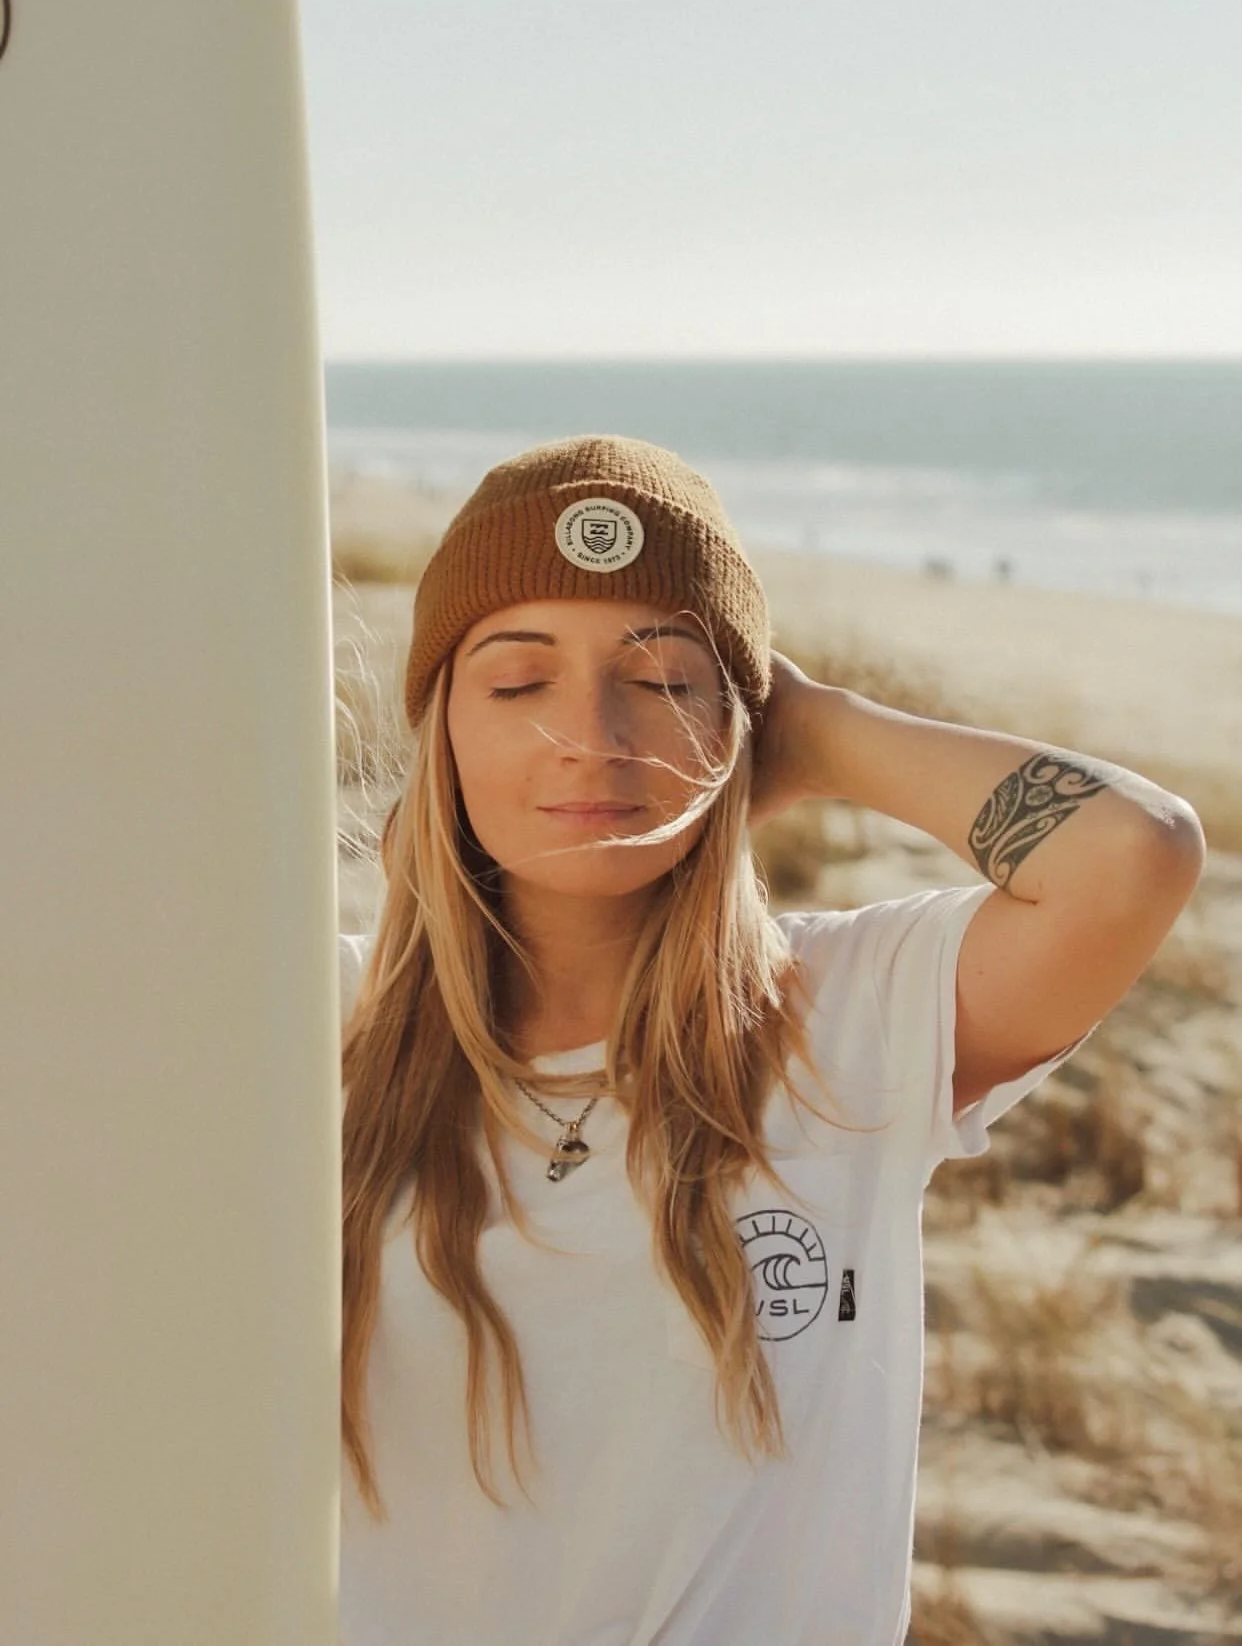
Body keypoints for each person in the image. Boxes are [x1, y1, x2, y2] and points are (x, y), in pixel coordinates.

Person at [336, 434, 1203, 1646]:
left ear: (749, 726)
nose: (592, 731)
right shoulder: (323, 1038)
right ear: (441, 733)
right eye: (517, 683)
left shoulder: (847, 1012)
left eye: (664, 678)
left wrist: (822, 730)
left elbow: (1134, 856)